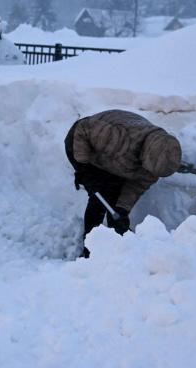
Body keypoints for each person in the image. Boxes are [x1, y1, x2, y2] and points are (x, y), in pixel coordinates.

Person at [64, 109, 182, 257]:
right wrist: (84, 170)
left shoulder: (157, 162)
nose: (149, 174)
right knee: (99, 197)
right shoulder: (119, 137)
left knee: (115, 199)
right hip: (81, 145)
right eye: (148, 170)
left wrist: (122, 209)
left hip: (116, 160)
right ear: (144, 156)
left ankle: (118, 248)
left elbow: (136, 186)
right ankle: (89, 249)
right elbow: (83, 129)